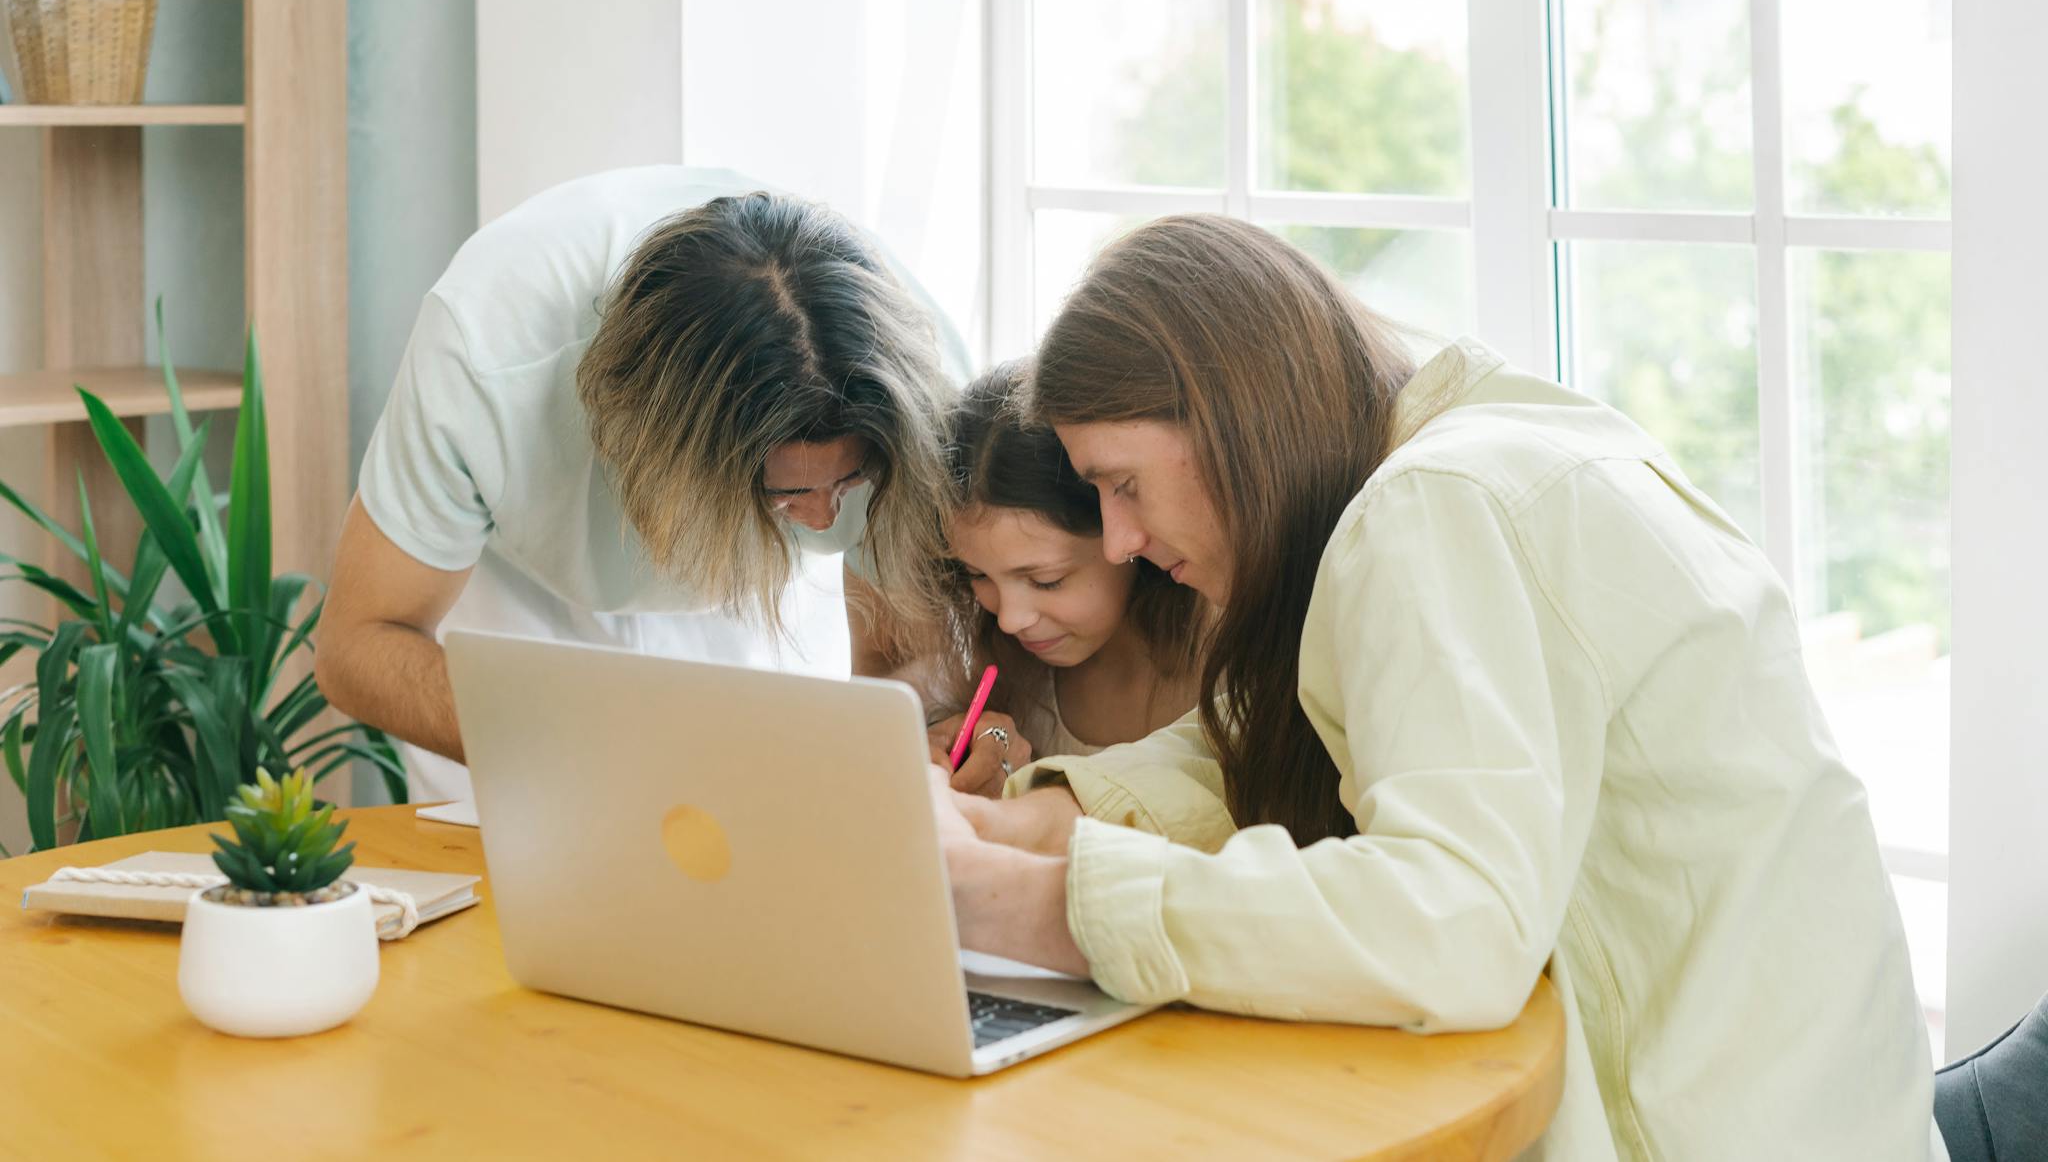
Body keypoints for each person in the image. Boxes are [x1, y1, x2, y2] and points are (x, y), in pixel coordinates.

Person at [930, 216, 1940, 1159]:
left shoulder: (1429, 510)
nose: (1121, 541)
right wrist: (1029, 819)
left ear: (1225, 416)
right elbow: (1278, 730)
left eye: (1123, 484)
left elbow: (1451, 922)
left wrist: (1033, 902)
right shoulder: (1485, 442)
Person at [315, 166, 990, 801]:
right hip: (520, 609)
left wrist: (919, 739)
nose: (819, 521)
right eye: (783, 495)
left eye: (847, 483)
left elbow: (902, 661)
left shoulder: (915, 399)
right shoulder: (485, 358)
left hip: (747, 611)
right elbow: (359, 645)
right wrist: (576, 745)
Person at [918, 362, 1204, 797]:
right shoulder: (1009, 672)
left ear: (1125, 534)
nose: (1010, 620)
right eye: (977, 575)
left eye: (1047, 580)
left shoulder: (1224, 668)